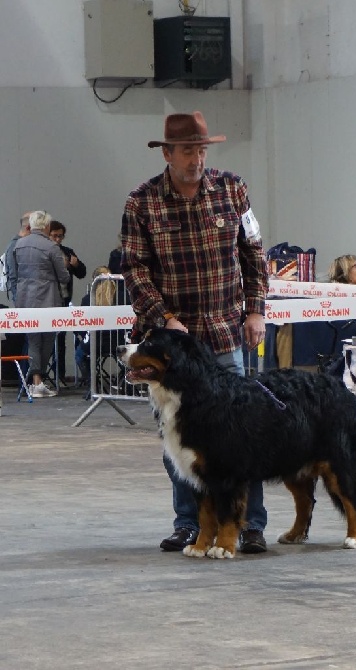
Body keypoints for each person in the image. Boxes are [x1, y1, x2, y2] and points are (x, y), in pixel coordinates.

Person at [121, 110, 269, 554]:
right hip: (170, 346)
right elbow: (134, 268)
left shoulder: (233, 190)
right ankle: (189, 523)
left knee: (242, 436)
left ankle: (249, 524)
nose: (196, 158)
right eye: (187, 150)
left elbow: (254, 256)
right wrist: (164, 317)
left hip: (225, 337)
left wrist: (256, 311)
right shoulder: (141, 202)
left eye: (202, 149)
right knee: (179, 436)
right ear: (167, 153)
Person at [13, 210, 70, 398]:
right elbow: (63, 276)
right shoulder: (51, 247)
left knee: (33, 339)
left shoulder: (19, 244)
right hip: (48, 297)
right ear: (46, 226)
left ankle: (35, 381)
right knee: (47, 340)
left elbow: (14, 272)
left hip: (24, 297)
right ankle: (38, 380)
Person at [49, 220, 87, 381]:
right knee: (44, 340)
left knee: (61, 339)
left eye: (61, 236)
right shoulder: (45, 251)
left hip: (64, 299)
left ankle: (60, 375)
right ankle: (38, 376)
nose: (58, 239)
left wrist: (75, 264)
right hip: (49, 300)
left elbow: (82, 273)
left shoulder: (67, 251)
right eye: (55, 236)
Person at [4, 212, 32, 304]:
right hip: (23, 300)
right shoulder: (14, 246)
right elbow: (13, 275)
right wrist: (19, 300)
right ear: (29, 228)